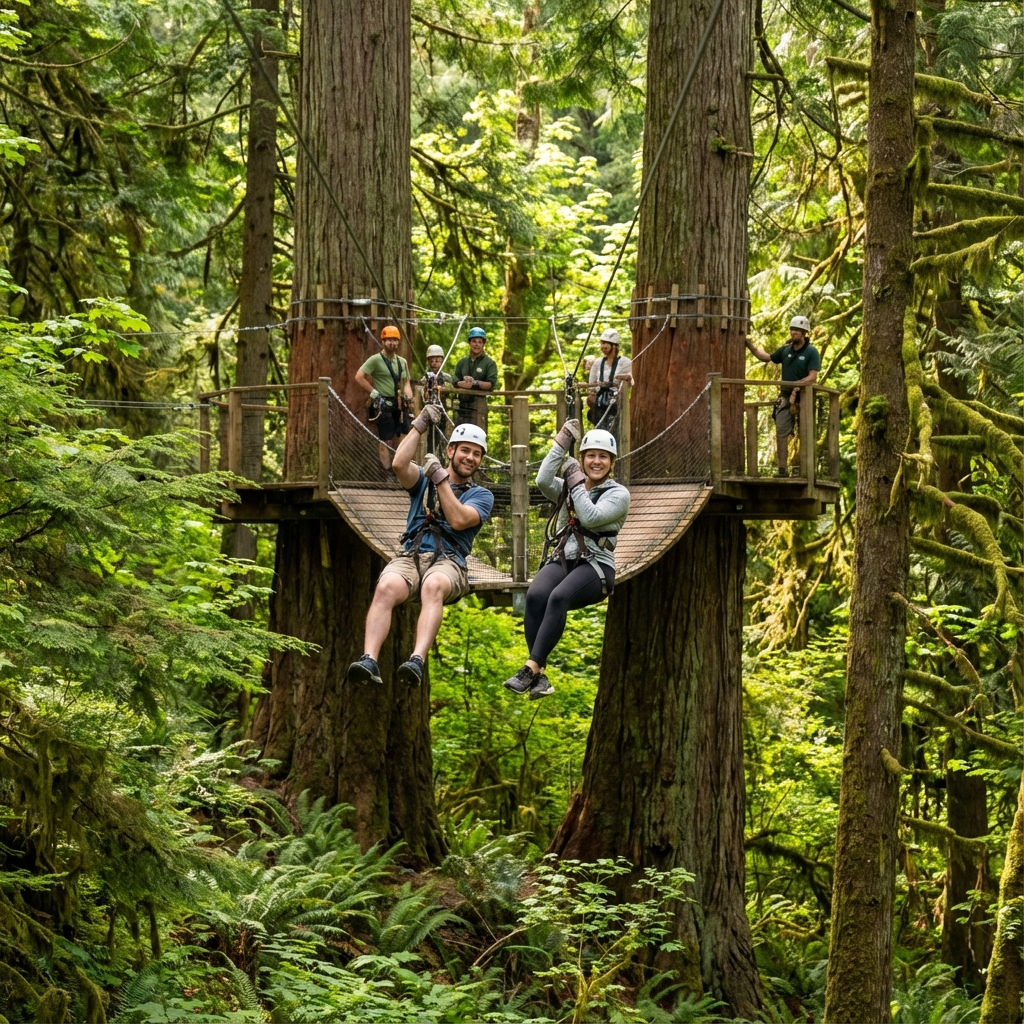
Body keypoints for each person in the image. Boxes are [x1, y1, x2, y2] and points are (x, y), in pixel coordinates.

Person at [347, 407, 494, 687]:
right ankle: (369, 659)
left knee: (433, 585)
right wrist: (420, 424)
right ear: (451, 451)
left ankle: (416, 660)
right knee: (386, 587)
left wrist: (440, 480)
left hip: (448, 562)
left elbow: (460, 519)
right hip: (412, 554)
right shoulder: (424, 480)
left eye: (476, 454)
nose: (470, 458)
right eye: (465, 450)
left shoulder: (481, 495)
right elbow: (399, 465)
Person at [503, 421, 630, 700]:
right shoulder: (568, 487)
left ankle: (530, 668)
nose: (596, 461)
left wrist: (574, 481)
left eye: (603, 457)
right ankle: (540, 677)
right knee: (536, 595)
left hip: (596, 567)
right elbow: (542, 481)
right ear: (582, 458)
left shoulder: (619, 494)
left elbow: (590, 517)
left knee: (558, 597)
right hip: (563, 558)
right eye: (591, 456)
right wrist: (561, 443)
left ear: (611, 462)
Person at [744, 315, 821, 477]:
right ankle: (782, 470)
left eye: (798, 330)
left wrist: (797, 386)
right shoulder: (785, 351)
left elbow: (812, 376)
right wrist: (748, 344)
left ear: (804, 332)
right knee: (781, 432)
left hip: (804, 398)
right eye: (792, 329)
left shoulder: (811, 352)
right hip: (785, 398)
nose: (794, 333)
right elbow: (766, 357)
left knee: (805, 433)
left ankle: (807, 472)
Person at [355, 324, 414, 468]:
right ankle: (386, 472)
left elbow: (406, 382)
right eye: (389, 340)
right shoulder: (375, 360)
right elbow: (359, 376)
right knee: (385, 439)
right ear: (383, 341)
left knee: (402, 437)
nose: (392, 343)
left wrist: (409, 398)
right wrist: (374, 393)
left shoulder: (402, 362)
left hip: (398, 403)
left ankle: (400, 469)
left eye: (395, 340)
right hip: (383, 404)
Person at [586, 328, 633, 434]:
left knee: (616, 430)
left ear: (614, 346)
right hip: (600, 402)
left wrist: (625, 379)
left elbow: (630, 382)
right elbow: (591, 385)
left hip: (617, 402)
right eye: (602, 343)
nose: (603, 347)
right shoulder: (598, 363)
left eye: (606, 343)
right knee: (598, 424)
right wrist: (591, 395)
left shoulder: (625, 363)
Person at [453, 326, 498, 430]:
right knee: (460, 435)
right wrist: (461, 384)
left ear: (483, 344)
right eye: (474, 341)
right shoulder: (462, 362)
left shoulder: (489, 363)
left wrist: (475, 383)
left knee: (478, 437)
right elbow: (455, 379)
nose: (476, 345)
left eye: (479, 342)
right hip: (462, 407)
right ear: (469, 343)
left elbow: (490, 384)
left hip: (479, 406)